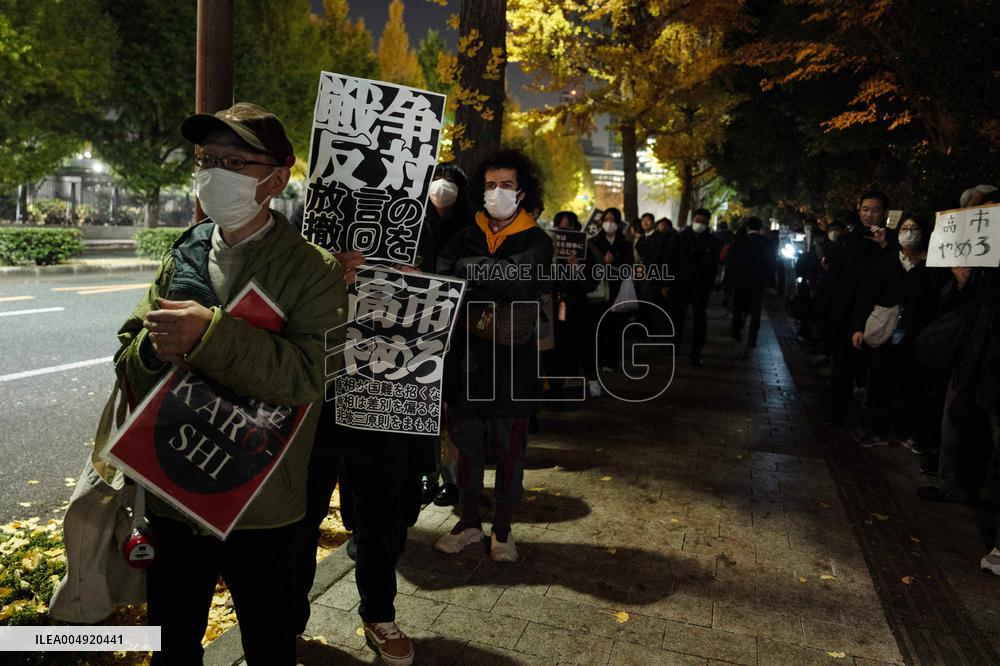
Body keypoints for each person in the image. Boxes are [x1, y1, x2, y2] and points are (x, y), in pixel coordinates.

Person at [113, 103, 346, 665]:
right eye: (205, 160)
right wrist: (152, 346)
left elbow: (312, 374)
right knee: (172, 644)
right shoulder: (186, 250)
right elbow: (128, 355)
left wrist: (205, 338)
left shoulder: (314, 269)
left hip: (264, 506)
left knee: (269, 644)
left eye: (234, 161)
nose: (213, 173)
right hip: (175, 495)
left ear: (277, 175)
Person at [434, 149, 553, 562]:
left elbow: (521, 281)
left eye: (505, 185)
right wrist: (486, 274)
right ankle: (469, 523)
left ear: (521, 192)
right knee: (466, 447)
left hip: (513, 368)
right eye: (489, 186)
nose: (496, 193)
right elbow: (444, 273)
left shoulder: (536, 240)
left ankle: (502, 529)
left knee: (509, 450)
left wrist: (474, 273)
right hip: (467, 363)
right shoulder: (467, 233)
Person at [848, 213, 943, 448]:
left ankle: (906, 430)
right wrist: (858, 328)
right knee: (880, 382)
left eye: (915, 228)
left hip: (917, 337)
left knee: (912, 386)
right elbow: (865, 297)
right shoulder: (886, 263)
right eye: (905, 228)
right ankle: (876, 429)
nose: (909, 233)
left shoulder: (933, 267)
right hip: (886, 334)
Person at [416, 163, 473, 507]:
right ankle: (427, 474)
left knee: (450, 408)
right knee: (424, 403)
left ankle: (452, 478)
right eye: (439, 179)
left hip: (457, 326)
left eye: (451, 181)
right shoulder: (413, 221)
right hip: (419, 324)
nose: (442, 187)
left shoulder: (469, 229)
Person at [827, 190, 892, 420]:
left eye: (875, 210)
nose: (869, 215)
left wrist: (884, 246)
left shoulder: (891, 243)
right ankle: (837, 413)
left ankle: (874, 419)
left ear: (884, 213)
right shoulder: (846, 241)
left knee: (877, 370)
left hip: (879, 314)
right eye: (865, 209)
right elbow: (833, 280)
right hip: (846, 314)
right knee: (843, 366)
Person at [670, 208, 719, 366]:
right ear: (693, 220)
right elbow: (673, 260)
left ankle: (696, 351)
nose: (700, 224)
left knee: (699, 318)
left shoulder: (711, 242)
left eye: (703, 222)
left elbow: (714, 265)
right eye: (698, 221)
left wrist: (710, 283)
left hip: (701, 285)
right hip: (681, 283)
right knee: (678, 316)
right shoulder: (681, 238)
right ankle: (675, 345)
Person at [590, 207, 636, 373]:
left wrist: (613, 264)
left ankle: (612, 360)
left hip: (617, 289)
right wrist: (603, 262)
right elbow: (590, 266)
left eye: (613, 220)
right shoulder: (593, 242)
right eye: (606, 220)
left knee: (615, 327)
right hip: (598, 290)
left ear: (618, 223)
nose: (609, 223)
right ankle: (598, 359)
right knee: (598, 326)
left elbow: (629, 266)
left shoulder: (625, 244)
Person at [728, 217, 772, 348]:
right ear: (760, 227)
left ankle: (736, 331)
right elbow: (771, 263)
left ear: (747, 227)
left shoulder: (740, 241)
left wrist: (731, 279)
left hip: (741, 280)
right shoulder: (766, 242)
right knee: (756, 310)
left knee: (738, 307)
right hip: (758, 281)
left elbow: (731, 261)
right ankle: (752, 338)